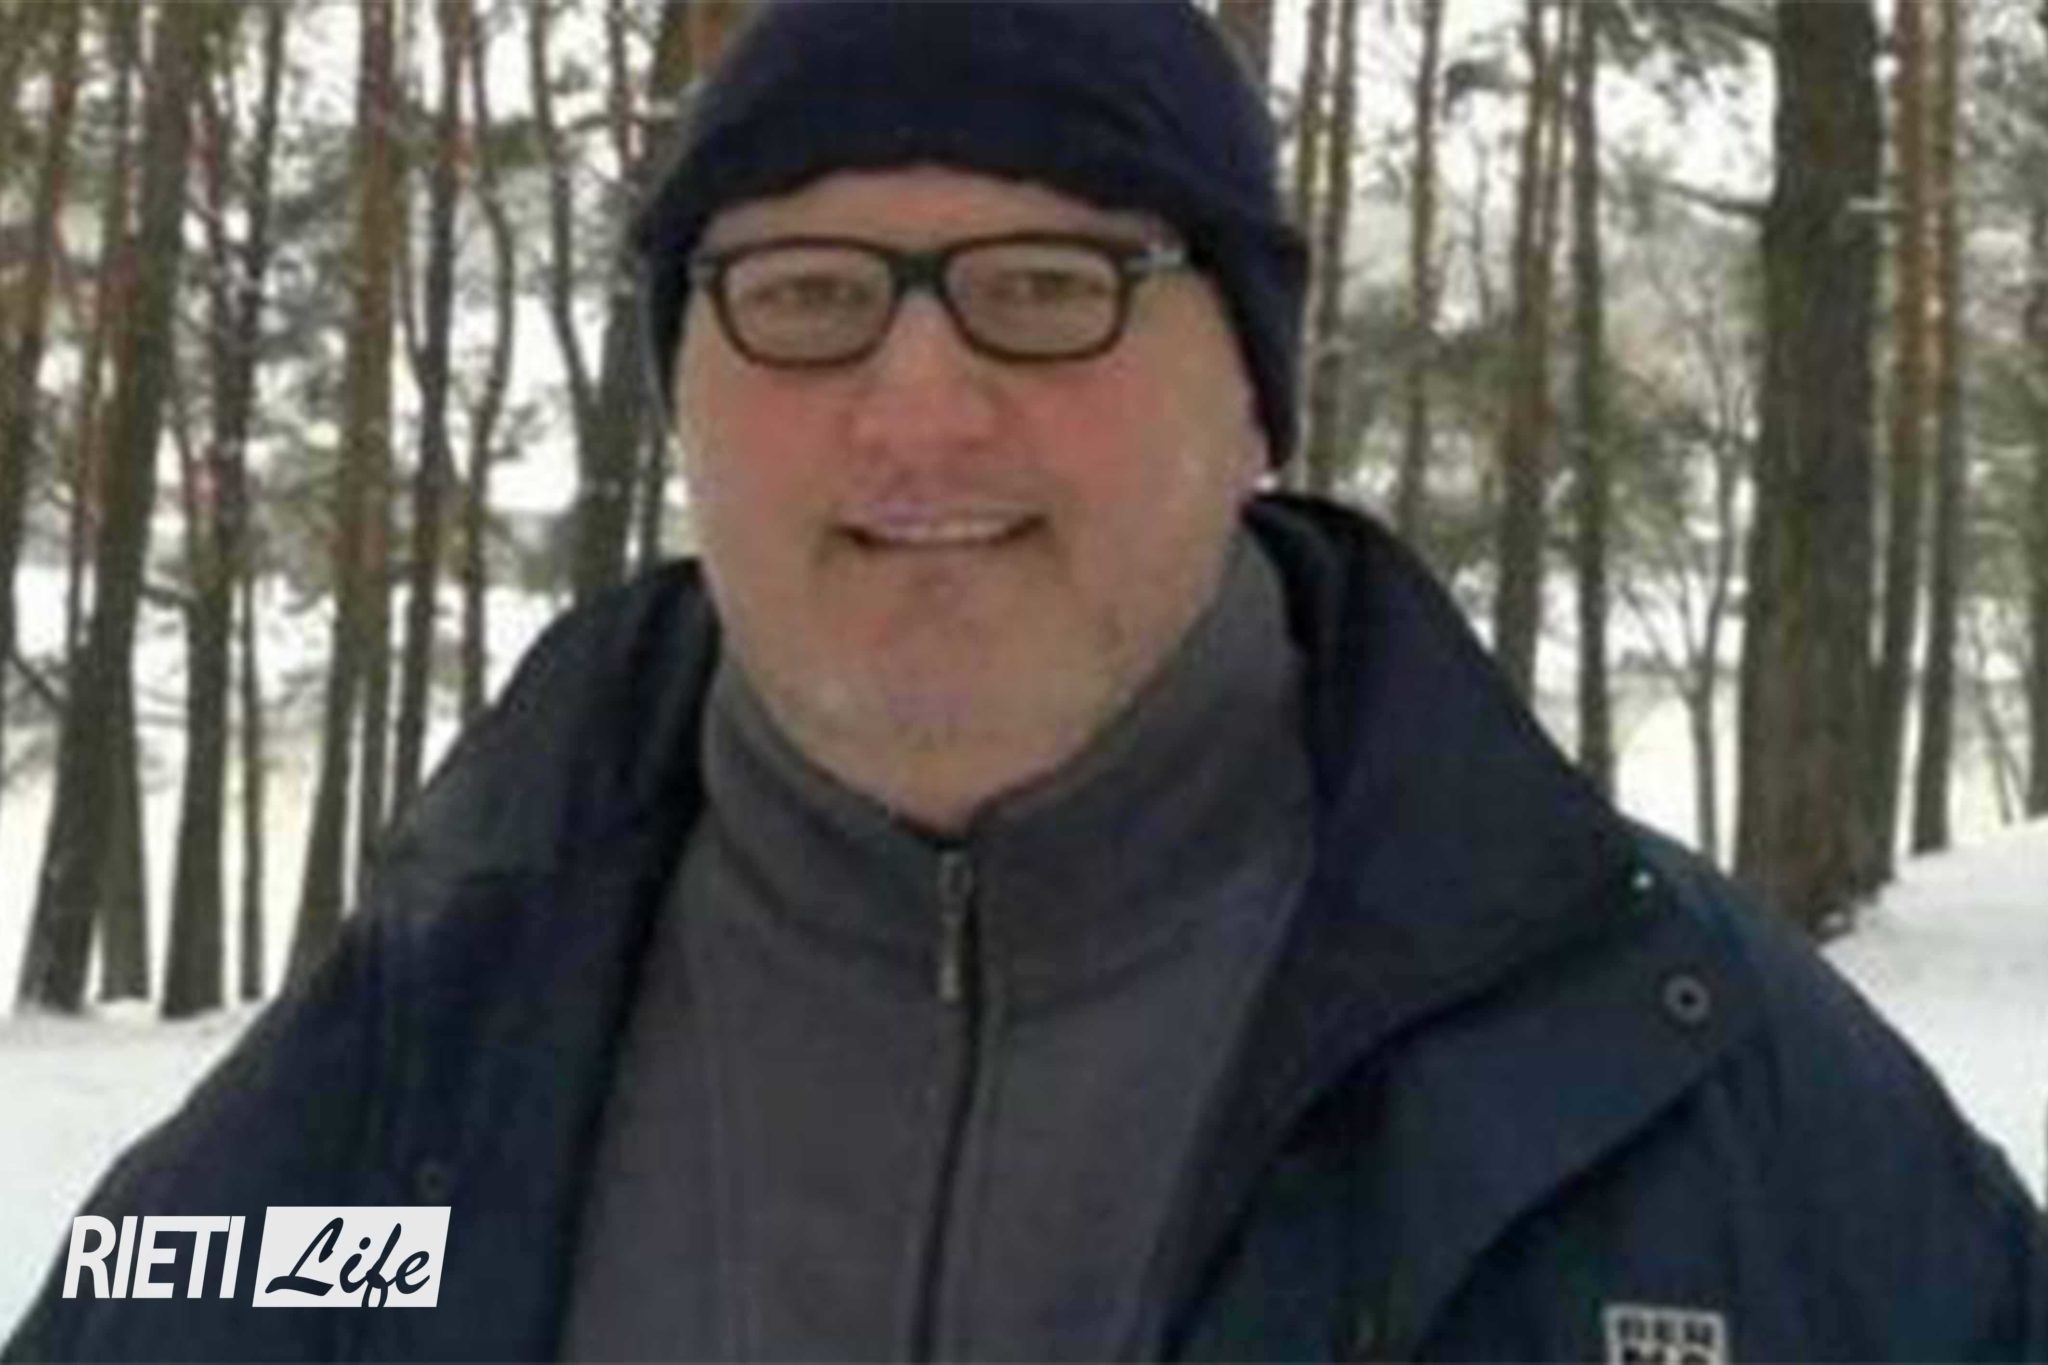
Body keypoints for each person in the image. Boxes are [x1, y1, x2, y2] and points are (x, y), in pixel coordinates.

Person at [8, 2, 2046, 1361]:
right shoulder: (392, 1088)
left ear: (1254, 394)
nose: (918, 406)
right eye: (805, 294)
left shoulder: (1679, 1097)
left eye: (1047, 288)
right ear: (686, 397)